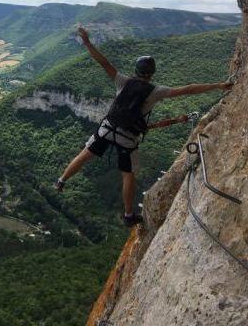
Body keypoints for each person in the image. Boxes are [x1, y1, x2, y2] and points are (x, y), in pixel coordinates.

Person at [55, 27, 233, 227]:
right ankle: (129, 214)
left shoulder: (122, 81)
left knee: (85, 154)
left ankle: (61, 180)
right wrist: (219, 85)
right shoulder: (156, 91)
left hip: (107, 128)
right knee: (128, 175)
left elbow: (104, 62)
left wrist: (87, 42)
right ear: (151, 74)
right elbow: (188, 89)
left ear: (136, 70)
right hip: (127, 137)